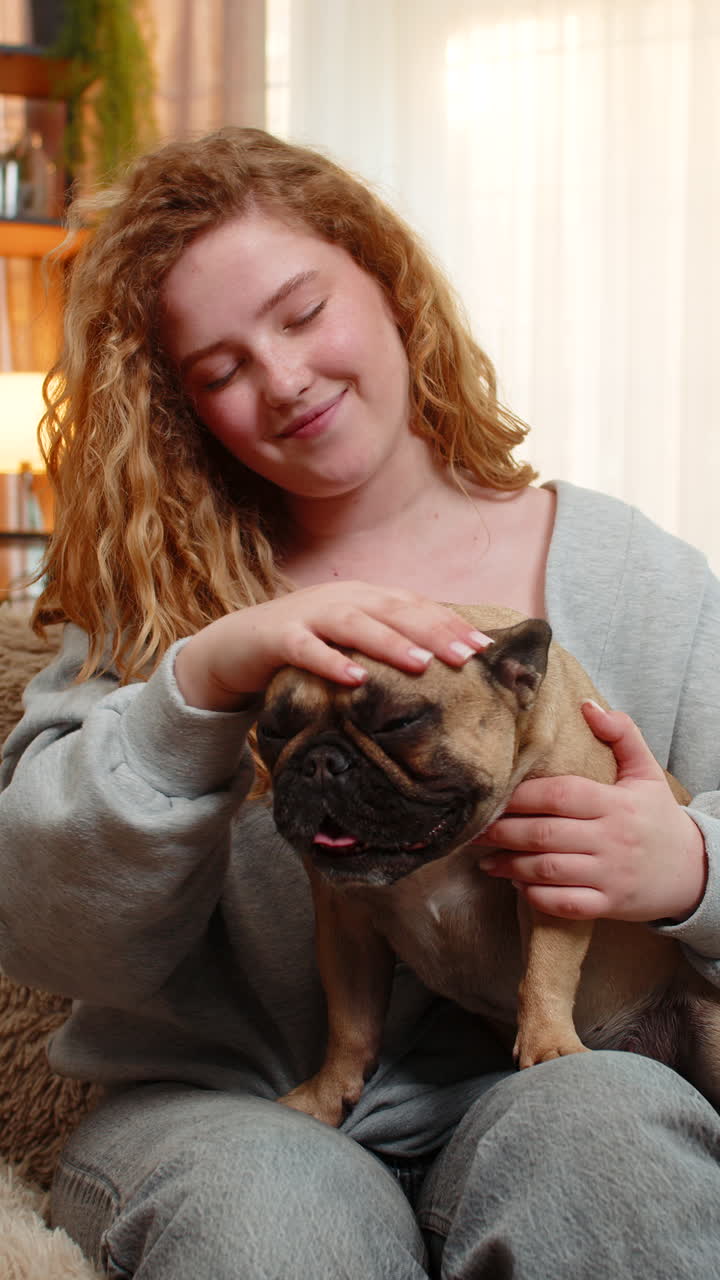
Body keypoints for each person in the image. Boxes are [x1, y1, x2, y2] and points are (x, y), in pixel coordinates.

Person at [0, 126, 719, 1280]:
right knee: (281, 1216)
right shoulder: (155, 598)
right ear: (179, 407)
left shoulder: (632, 575)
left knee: (616, 1143)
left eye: (300, 312)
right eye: (220, 368)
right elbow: (38, 930)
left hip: (532, 1087)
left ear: (389, 285)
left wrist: (690, 863)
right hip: (226, 1109)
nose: (281, 380)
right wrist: (198, 684)